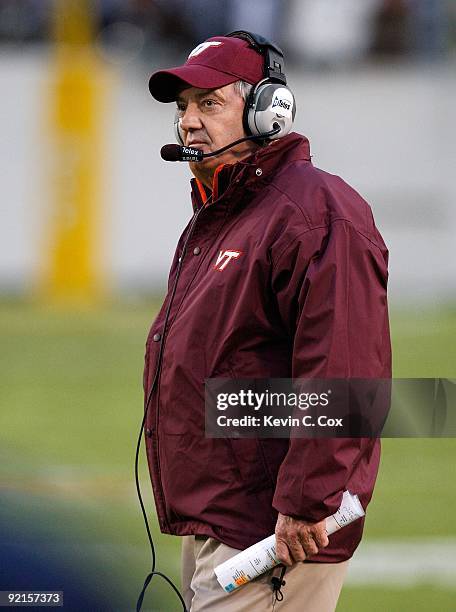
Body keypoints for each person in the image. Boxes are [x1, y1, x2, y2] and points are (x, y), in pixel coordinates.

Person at [144, 31, 391, 612]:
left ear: (267, 109)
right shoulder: (226, 214)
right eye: (183, 108)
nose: (189, 123)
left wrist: (308, 499)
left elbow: (346, 372)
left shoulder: (313, 212)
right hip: (224, 512)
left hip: (277, 527)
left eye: (210, 103)